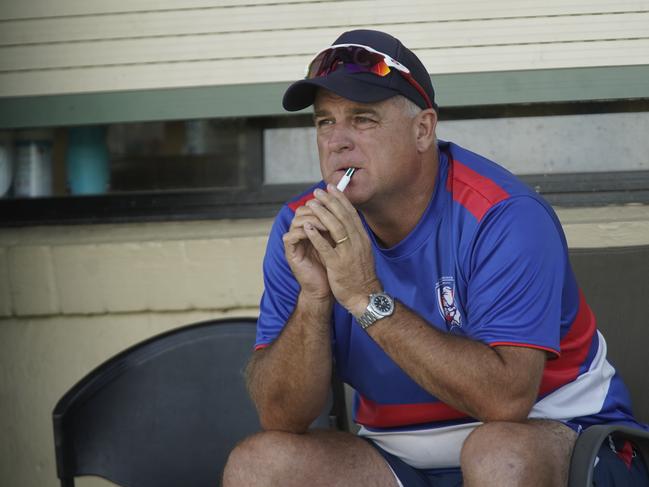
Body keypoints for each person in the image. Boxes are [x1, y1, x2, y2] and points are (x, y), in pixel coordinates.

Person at [222, 29, 648, 486]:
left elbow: (504, 403)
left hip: (562, 439)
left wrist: (366, 298)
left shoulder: (502, 215)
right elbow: (282, 415)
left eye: (362, 119)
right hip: (394, 455)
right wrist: (314, 298)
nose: (337, 141)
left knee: (497, 455)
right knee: (259, 465)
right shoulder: (300, 225)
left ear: (422, 128)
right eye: (325, 121)